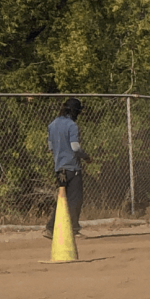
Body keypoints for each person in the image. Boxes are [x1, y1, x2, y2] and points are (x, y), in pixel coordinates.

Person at [43, 98, 91, 239]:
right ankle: (74, 229)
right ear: (75, 111)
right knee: (75, 198)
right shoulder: (72, 125)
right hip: (72, 167)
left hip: (59, 167)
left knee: (62, 199)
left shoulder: (52, 125)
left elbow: (50, 147)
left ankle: (51, 228)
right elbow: (75, 147)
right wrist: (86, 157)